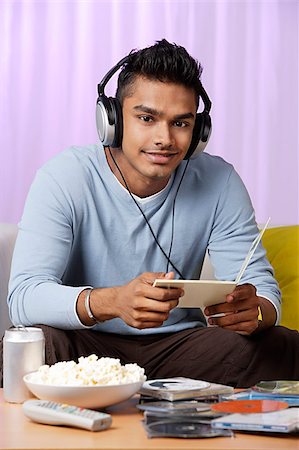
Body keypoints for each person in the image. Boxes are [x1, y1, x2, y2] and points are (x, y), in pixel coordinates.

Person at [3, 39, 299, 388]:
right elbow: (24, 297)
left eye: (181, 123)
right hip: (85, 346)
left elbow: (261, 288)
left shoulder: (220, 181)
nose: (165, 139)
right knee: (34, 344)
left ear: (199, 131)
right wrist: (112, 301)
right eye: (146, 118)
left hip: (183, 349)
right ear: (112, 120)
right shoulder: (64, 176)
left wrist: (257, 312)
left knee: (282, 345)